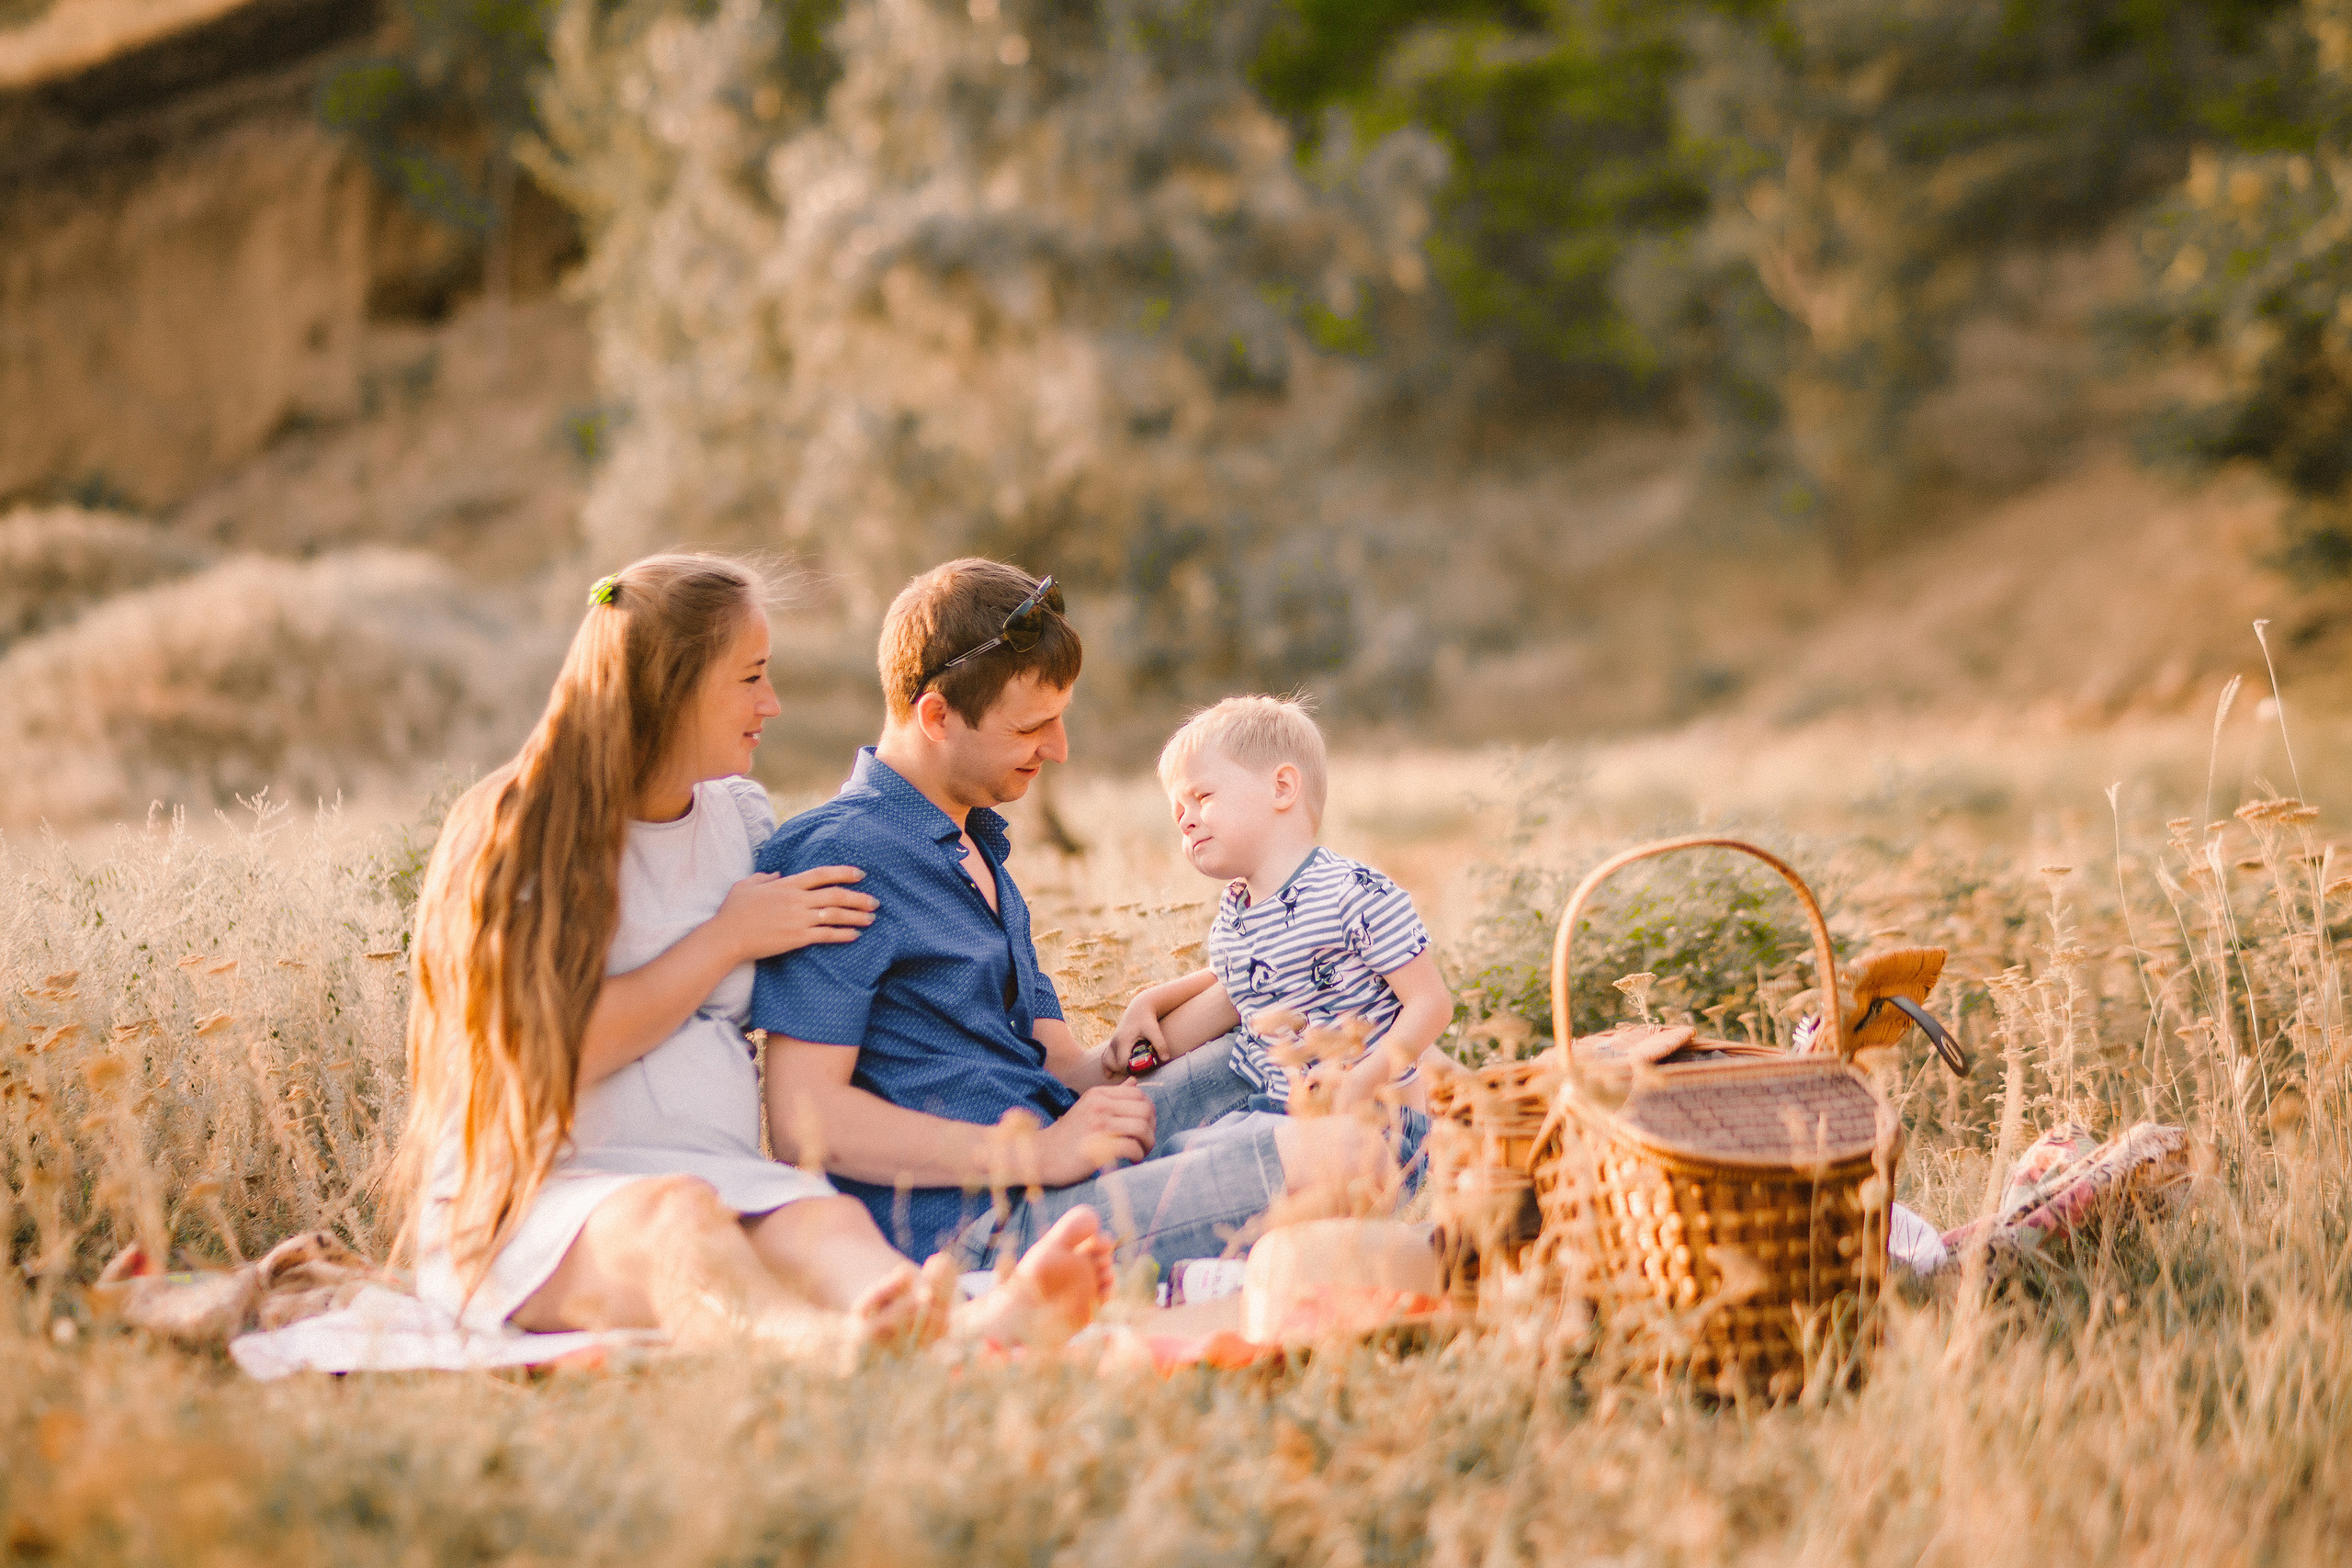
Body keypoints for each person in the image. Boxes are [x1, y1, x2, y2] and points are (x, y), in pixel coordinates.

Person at [396, 553, 1112, 1359]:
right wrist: (725, 939)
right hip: (546, 1201)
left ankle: (951, 1326)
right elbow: (543, 1050)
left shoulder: (737, 820)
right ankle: (819, 1350)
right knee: (677, 1220)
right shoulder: (521, 829)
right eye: (751, 676)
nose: (771, 703)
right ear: (674, 685)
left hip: (723, 1174)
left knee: (824, 1219)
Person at [754, 560, 1393, 1271]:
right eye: (1034, 726)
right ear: (936, 715)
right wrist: (1039, 1151)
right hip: (981, 1226)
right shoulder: (842, 855)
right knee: (1358, 1151)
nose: (1058, 749)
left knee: (1346, 1048)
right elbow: (804, 1122)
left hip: (1059, 1156)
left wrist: (1167, 1017)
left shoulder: (974, 846)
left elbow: (1065, 1067)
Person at [1105, 695, 1452, 1177]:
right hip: (1278, 1108)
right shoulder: (1237, 910)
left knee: (1200, 1169)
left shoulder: (1352, 892)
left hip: (1376, 1120)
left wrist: (1359, 1083)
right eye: (1177, 810)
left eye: (1201, 797)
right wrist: (1152, 999)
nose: (1184, 819)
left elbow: (1431, 1004)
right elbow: (1238, 982)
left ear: (1282, 787)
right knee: (1175, 1153)